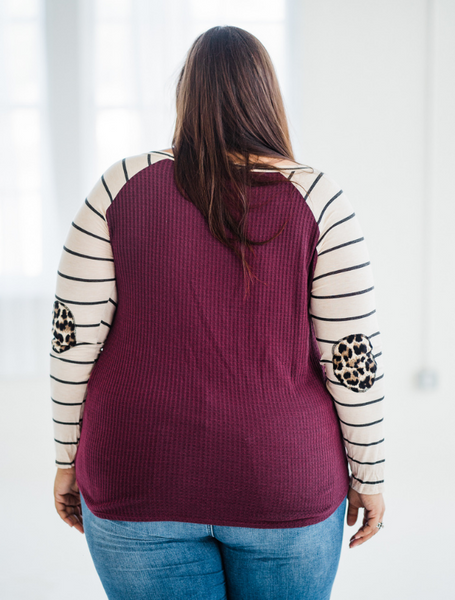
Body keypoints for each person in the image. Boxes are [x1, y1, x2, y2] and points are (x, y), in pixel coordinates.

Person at [51, 25, 386, 600]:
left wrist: (65, 459)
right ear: (267, 99)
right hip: (284, 481)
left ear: (187, 96)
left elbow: (71, 342)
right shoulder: (321, 200)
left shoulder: (118, 187)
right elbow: (353, 359)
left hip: (137, 477)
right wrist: (370, 475)